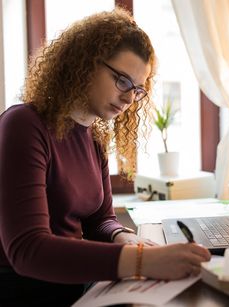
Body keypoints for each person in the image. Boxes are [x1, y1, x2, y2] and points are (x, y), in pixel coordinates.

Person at [0, 8, 210, 306]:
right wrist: (141, 260)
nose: (128, 98)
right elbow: (28, 250)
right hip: (25, 292)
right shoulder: (23, 124)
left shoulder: (93, 137)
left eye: (138, 90)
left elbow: (101, 220)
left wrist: (124, 237)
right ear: (84, 64)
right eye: (122, 81)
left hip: (74, 286)